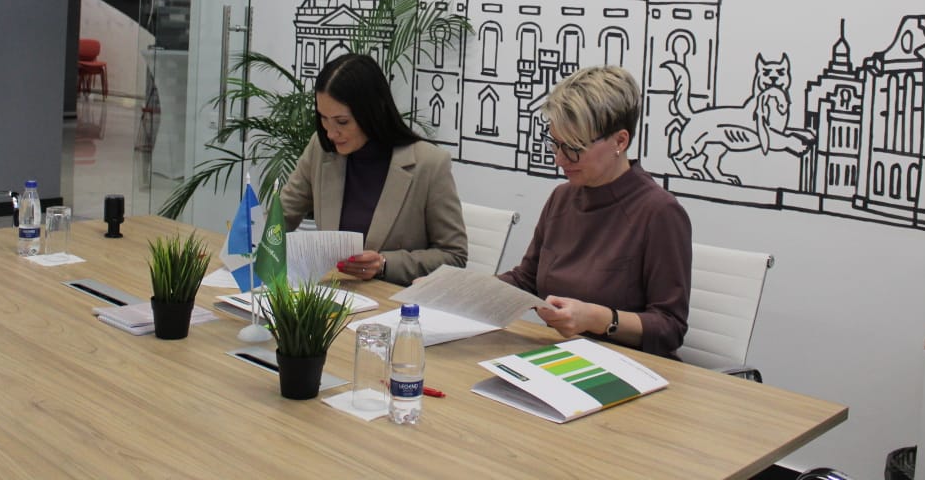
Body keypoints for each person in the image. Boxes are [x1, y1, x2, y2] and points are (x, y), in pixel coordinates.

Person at [498, 65, 692, 359]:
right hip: (562, 357)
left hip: (627, 366)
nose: (560, 159)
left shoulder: (659, 212)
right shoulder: (562, 198)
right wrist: (464, 290)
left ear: (620, 141)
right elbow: (526, 280)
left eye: (574, 148)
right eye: (556, 145)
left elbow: (669, 327)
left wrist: (598, 318)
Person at [279, 52, 468, 285]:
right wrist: (254, 239)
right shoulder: (321, 149)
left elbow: (454, 256)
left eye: (342, 122)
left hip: (394, 300)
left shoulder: (429, 164)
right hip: (334, 293)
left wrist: (384, 264)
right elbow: (282, 216)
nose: (330, 132)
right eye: (323, 118)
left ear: (373, 112)